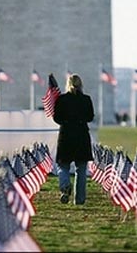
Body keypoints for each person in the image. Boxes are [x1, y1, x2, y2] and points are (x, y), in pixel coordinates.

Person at [53, 73, 95, 205]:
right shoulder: (86, 99)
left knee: (63, 165)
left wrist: (66, 120)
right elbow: (90, 117)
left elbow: (56, 118)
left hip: (66, 135)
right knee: (81, 169)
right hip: (81, 135)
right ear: (81, 84)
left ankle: (65, 186)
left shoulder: (62, 99)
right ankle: (79, 199)